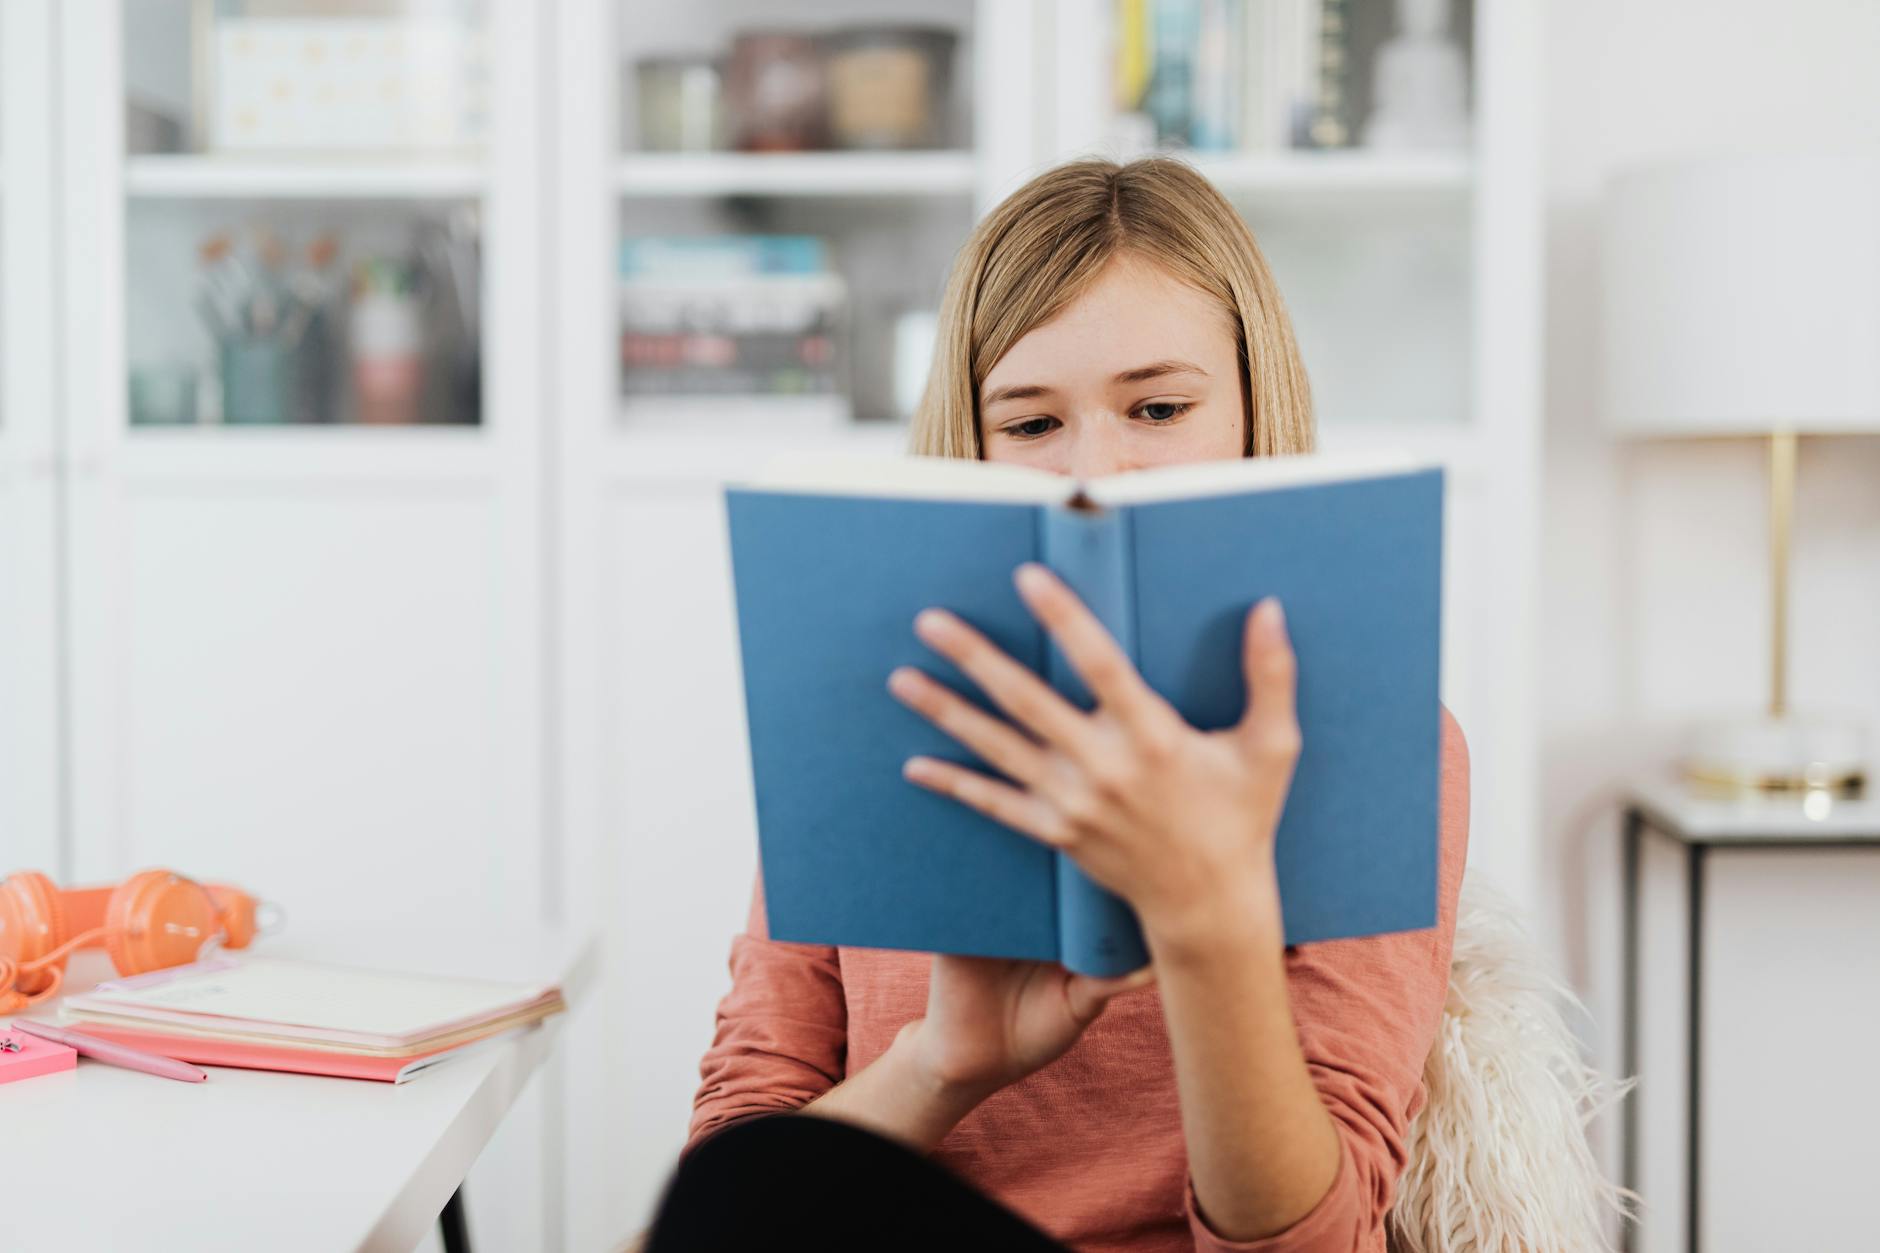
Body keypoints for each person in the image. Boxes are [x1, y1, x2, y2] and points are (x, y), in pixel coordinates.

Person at [651, 156, 1470, 1253]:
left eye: (1159, 406)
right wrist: (942, 1061)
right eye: (1031, 425)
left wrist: (1205, 924)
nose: (1096, 470)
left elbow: (1310, 1241)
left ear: (1249, 408)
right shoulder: (870, 726)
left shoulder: (1375, 738)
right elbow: (730, 1182)